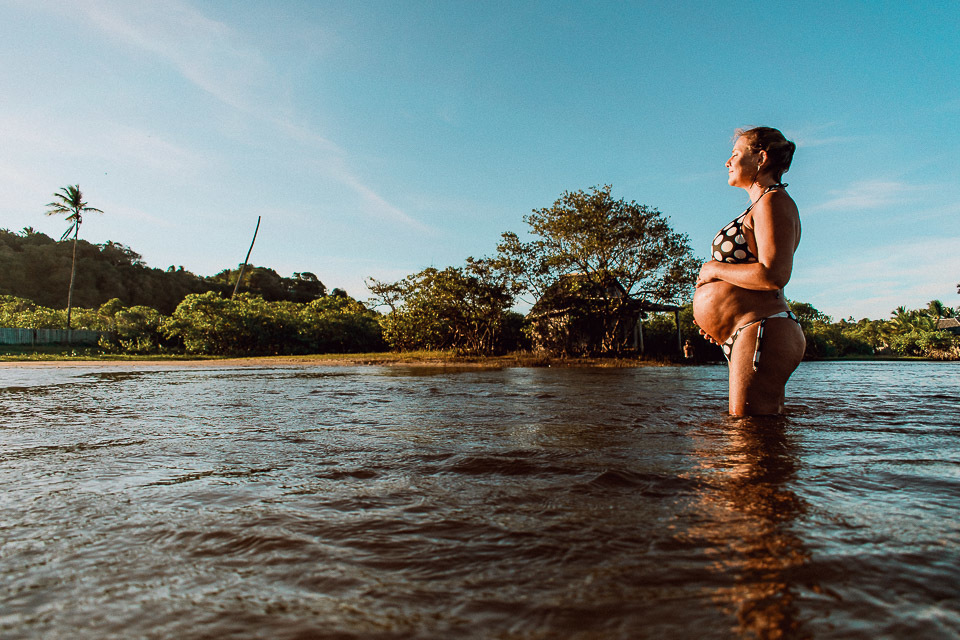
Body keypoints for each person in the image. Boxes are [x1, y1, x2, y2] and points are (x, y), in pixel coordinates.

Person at [692, 127, 806, 415]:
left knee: (751, 435)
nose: (727, 163)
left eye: (735, 154)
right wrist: (720, 322)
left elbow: (773, 275)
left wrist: (714, 269)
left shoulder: (773, 202)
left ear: (761, 158)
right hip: (747, 330)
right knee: (753, 438)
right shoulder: (761, 205)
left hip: (763, 328)